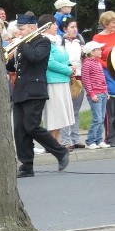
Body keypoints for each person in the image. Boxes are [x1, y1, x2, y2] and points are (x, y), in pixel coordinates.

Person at [6, 14, 70, 177]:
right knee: (20, 130)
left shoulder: (43, 42)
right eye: (19, 29)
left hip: (35, 90)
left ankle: (60, 151)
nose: (19, 32)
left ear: (32, 28)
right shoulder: (22, 45)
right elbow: (13, 67)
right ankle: (27, 166)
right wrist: (9, 56)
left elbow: (35, 58)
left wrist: (22, 43)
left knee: (31, 125)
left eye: (22, 29)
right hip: (20, 90)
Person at [40, 15, 74, 143]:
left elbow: (63, 59)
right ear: (47, 26)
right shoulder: (44, 41)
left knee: (60, 116)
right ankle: (51, 143)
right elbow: (50, 63)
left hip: (62, 80)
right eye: (54, 24)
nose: (56, 27)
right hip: (53, 81)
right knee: (55, 115)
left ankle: (56, 142)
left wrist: (70, 66)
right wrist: (68, 70)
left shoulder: (57, 40)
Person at [60, 19, 85, 149]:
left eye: (76, 27)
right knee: (66, 110)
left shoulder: (79, 41)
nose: (75, 29)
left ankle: (75, 138)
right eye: (72, 27)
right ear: (65, 29)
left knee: (75, 110)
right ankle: (65, 140)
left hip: (79, 77)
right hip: (68, 77)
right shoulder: (61, 42)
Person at [92, 11, 115, 145]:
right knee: (110, 108)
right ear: (105, 24)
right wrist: (109, 66)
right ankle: (110, 138)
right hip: (107, 73)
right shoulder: (97, 38)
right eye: (113, 22)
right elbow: (96, 57)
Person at [81, 41, 109, 149]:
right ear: (92, 52)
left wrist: (105, 91)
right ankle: (90, 140)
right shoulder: (87, 64)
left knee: (101, 118)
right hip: (95, 95)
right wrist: (91, 94)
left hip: (102, 93)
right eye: (98, 49)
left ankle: (99, 140)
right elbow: (86, 80)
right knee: (97, 119)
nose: (100, 51)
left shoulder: (97, 63)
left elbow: (102, 79)